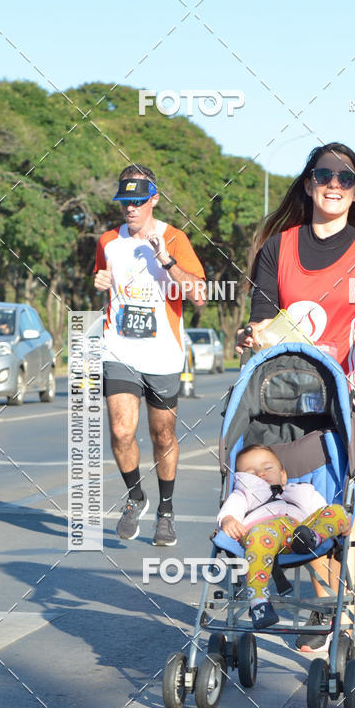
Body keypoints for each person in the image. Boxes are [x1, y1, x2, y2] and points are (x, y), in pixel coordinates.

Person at [236, 141, 355, 650]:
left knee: (338, 506)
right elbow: (262, 317)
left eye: (345, 178)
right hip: (289, 399)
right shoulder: (277, 247)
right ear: (308, 183)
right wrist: (250, 335)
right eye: (324, 175)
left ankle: (337, 616)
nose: (334, 184)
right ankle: (325, 609)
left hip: (351, 398)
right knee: (300, 504)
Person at [94, 164, 206, 545]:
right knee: (121, 430)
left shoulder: (175, 238)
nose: (131, 208)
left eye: (138, 201)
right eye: (125, 202)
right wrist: (99, 280)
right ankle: (135, 496)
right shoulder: (108, 240)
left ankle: (166, 510)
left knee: (163, 435)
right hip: (119, 348)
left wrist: (167, 261)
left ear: (154, 199)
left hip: (163, 354)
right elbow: (102, 276)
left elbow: (199, 296)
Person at [217, 445, 350, 632]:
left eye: (267, 468)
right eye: (251, 473)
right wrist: (228, 520)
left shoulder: (301, 491)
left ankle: (314, 537)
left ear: (283, 475)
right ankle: (258, 601)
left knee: (336, 510)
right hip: (263, 534)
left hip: (299, 533)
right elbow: (231, 509)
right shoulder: (245, 494)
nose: (261, 474)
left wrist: (336, 521)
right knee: (260, 533)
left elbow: (321, 511)